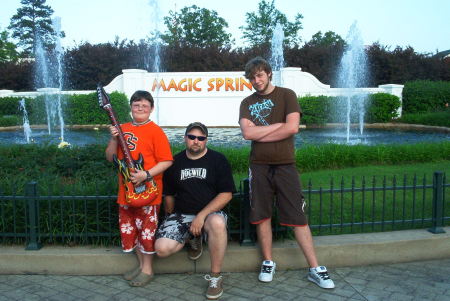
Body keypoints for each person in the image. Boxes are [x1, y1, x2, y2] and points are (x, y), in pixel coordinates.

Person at [238, 57, 335, 289]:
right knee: (262, 215)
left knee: (297, 216)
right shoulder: (247, 102)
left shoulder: (287, 95)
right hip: (258, 165)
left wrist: (262, 131)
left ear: (269, 74)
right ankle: (268, 262)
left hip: (285, 164)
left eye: (260, 75)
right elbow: (247, 134)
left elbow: (292, 128)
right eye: (252, 77)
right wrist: (277, 127)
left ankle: (314, 267)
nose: (256, 80)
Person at [155, 122, 236, 300]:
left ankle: (215, 277)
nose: (196, 141)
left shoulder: (218, 160)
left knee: (217, 222)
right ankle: (193, 237)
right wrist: (170, 218)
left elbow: (226, 194)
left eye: (200, 138)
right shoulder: (175, 162)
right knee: (161, 249)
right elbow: (168, 193)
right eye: (192, 137)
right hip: (182, 214)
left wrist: (201, 216)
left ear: (206, 140)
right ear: (185, 138)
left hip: (209, 214)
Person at [105, 90, 173, 287]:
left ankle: (148, 270)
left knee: (147, 233)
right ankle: (142, 266)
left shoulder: (156, 131)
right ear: (131, 108)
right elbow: (110, 158)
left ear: (151, 109)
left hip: (149, 192)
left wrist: (146, 174)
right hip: (126, 192)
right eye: (136, 105)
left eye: (144, 105)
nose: (140, 108)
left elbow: (167, 161)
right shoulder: (121, 128)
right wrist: (114, 139)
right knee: (131, 231)